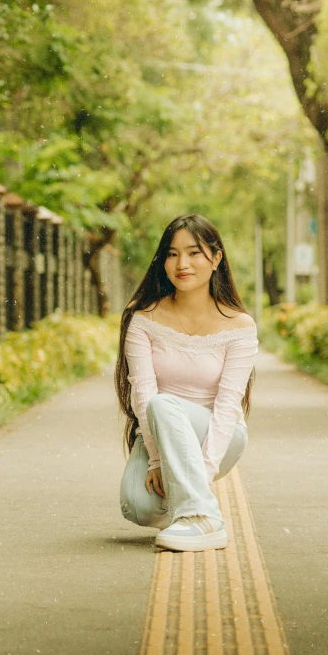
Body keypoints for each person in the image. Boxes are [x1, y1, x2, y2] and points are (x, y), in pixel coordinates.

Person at [114, 214, 259, 552]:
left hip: (218, 433)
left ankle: (203, 518)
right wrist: (156, 460)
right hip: (159, 434)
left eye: (194, 253)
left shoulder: (239, 325)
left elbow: (228, 405)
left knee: (163, 403)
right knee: (137, 506)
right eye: (172, 253)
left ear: (216, 258)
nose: (182, 263)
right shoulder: (143, 318)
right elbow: (142, 394)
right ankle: (186, 513)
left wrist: (203, 474)